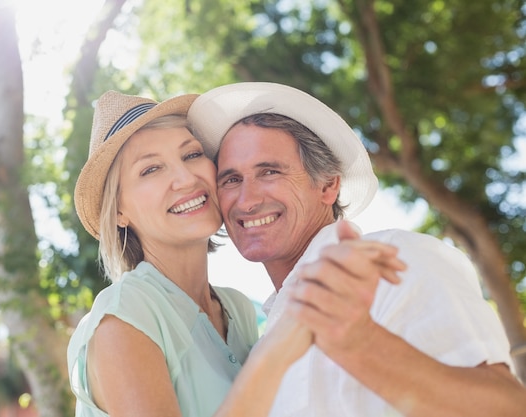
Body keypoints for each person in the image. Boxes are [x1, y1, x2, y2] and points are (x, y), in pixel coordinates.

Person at [188, 81, 526, 417]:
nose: (247, 200)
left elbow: (508, 408)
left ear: (329, 185)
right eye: (231, 180)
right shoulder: (267, 340)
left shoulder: (398, 259)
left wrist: (361, 342)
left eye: (270, 171)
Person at [66, 90, 404, 417]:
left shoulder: (238, 311)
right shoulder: (124, 316)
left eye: (192, 154)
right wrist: (280, 350)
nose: (185, 178)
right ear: (118, 213)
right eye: (150, 169)